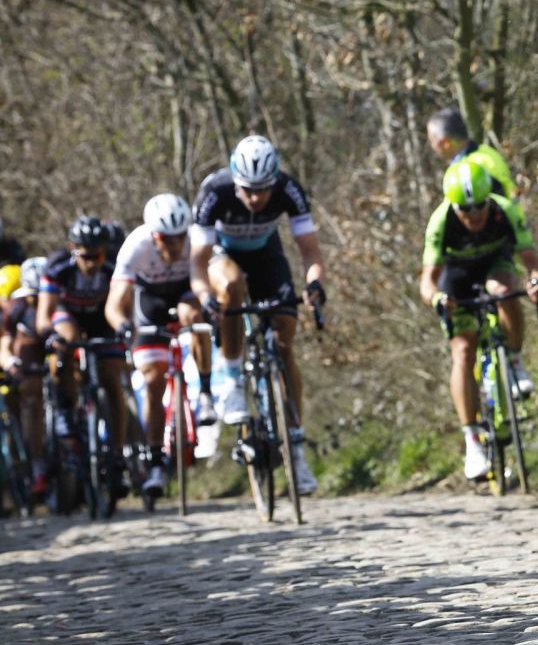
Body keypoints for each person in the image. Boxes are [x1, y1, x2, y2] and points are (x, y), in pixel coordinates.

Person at [190, 134, 326, 495]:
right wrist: (205, 296)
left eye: (263, 190)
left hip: (267, 256)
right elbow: (197, 263)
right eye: (248, 190)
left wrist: (314, 284)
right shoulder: (214, 192)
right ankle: (233, 379)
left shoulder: (289, 190)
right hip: (222, 256)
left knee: (284, 344)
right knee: (232, 286)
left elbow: (310, 252)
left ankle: (296, 450)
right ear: (236, 181)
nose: (255, 198)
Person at [420, 160, 538, 480]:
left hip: (495, 265)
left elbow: (531, 259)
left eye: (480, 205)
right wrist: (438, 299)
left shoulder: (506, 210)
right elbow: (427, 282)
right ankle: (472, 440)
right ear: (454, 206)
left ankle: (515, 362)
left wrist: (537, 281)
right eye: (466, 209)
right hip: (457, 279)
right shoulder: (440, 221)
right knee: (463, 352)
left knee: (505, 292)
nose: (475, 214)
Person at [105, 194, 216, 497]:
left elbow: (211, 278)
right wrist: (123, 325)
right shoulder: (135, 246)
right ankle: (155, 460)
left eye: (180, 237)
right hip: (149, 303)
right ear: (155, 236)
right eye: (168, 239)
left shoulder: (197, 239)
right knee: (153, 379)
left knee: (194, 317)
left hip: (186, 293)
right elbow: (114, 304)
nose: (176, 246)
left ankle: (205, 391)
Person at [37, 216, 129, 482]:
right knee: (66, 338)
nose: (91, 263)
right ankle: (66, 407)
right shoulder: (58, 268)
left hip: (102, 318)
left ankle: (118, 454)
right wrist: (51, 337)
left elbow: (124, 307)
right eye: (85, 256)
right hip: (69, 316)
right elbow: (44, 316)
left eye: (97, 256)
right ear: (73, 249)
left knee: (112, 380)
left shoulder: (114, 266)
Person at [1, 256, 47, 497]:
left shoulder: (56, 301)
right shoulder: (15, 310)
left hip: (46, 353)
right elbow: (6, 345)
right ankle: (31, 466)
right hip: (24, 363)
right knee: (28, 401)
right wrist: (10, 362)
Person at [427, 108, 518, 199]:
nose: (432, 146)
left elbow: (488, 205)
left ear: (445, 143)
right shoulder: (486, 151)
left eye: (432, 140)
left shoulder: (468, 170)